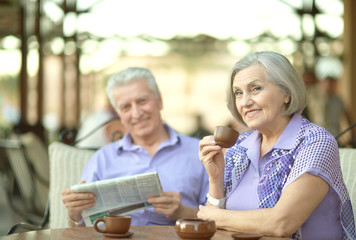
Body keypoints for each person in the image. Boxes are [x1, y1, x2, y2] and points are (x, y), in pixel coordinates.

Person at [197, 51, 355, 240]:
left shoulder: (315, 142)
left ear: (286, 93)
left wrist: (216, 216)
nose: (245, 102)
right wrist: (216, 178)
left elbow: (281, 223)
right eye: (238, 93)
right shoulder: (238, 146)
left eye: (255, 88)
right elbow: (213, 226)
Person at [62, 67, 209, 226]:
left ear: (160, 101)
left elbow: (219, 221)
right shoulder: (102, 158)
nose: (137, 113)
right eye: (126, 107)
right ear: (118, 114)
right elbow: (80, 228)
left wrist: (182, 212)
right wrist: (74, 214)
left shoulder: (199, 153)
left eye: (142, 101)